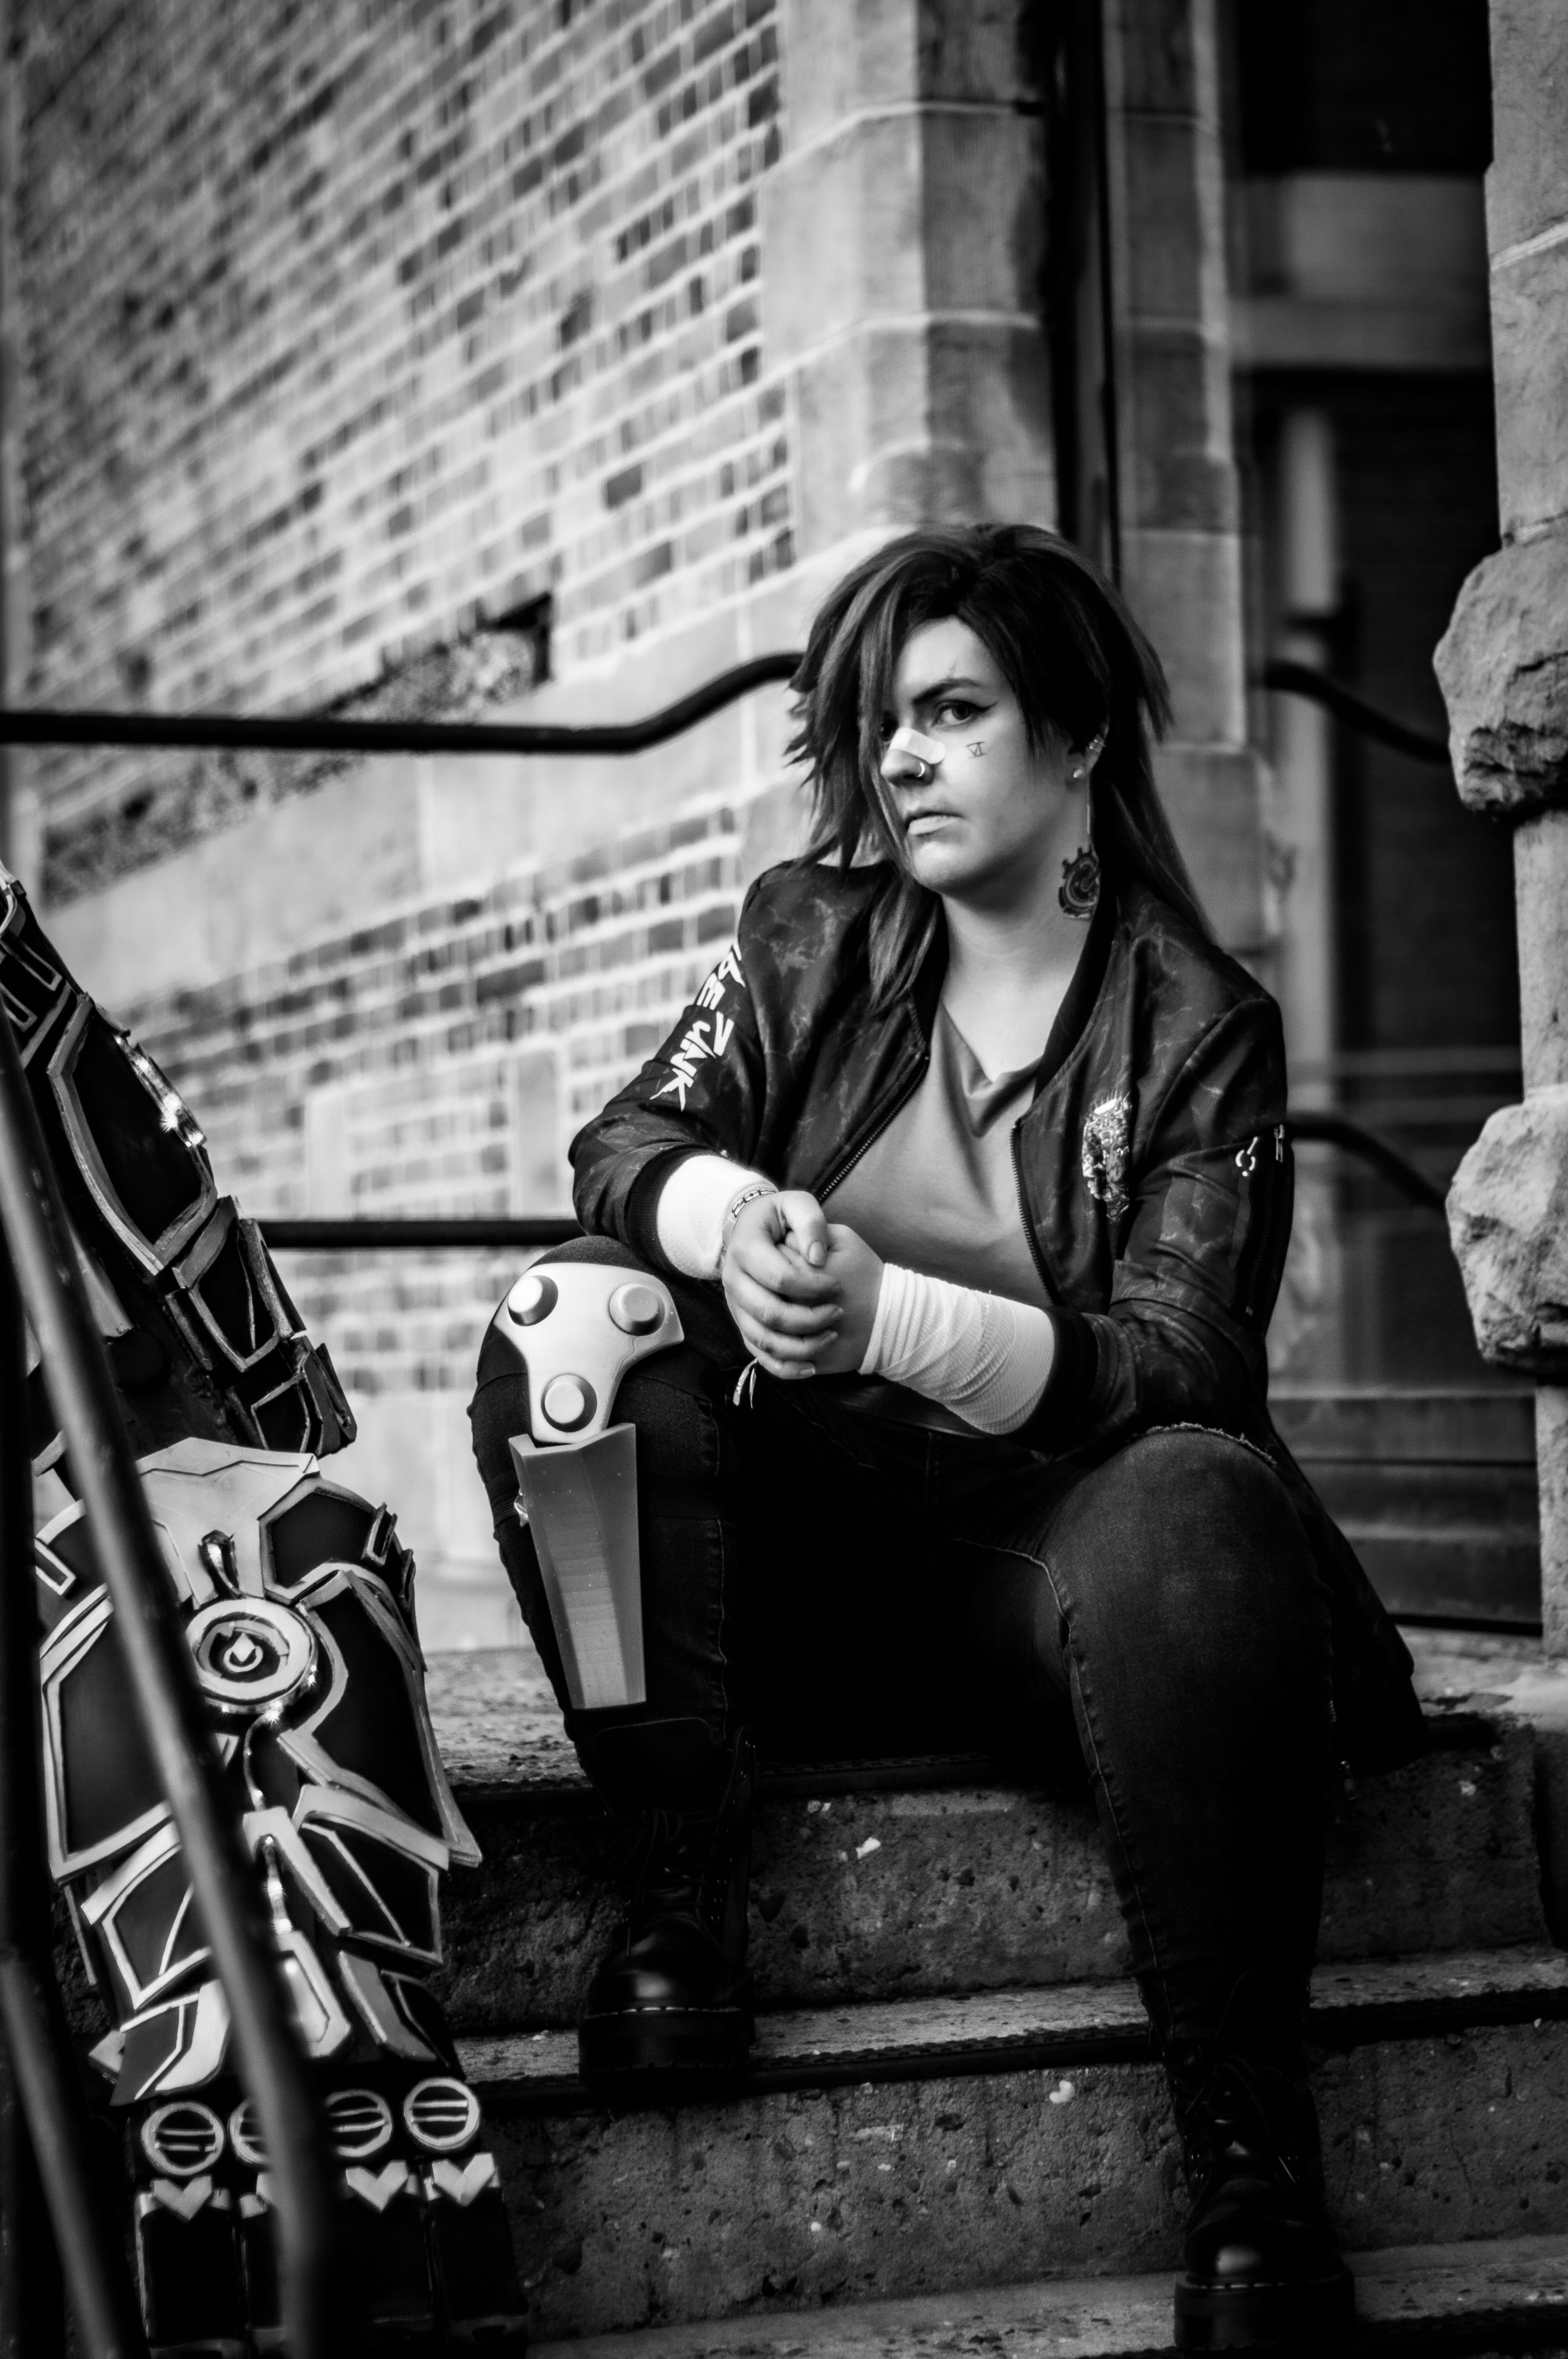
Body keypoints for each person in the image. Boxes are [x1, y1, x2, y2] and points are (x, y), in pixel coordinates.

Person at [469, 523, 1426, 2351]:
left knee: (1198, 1493)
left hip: (1042, 1595)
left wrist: (888, 1318)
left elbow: (1186, 1359)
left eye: (953, 711)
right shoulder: (807, 936)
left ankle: (1249, 2152)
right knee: (573, 1318)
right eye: (883, 721)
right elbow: (623, 1145)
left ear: (1077, 736)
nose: (899, 755)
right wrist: (737, 1224)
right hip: (794, 1574)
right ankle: (675, 1891)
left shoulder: (1195, 1027)